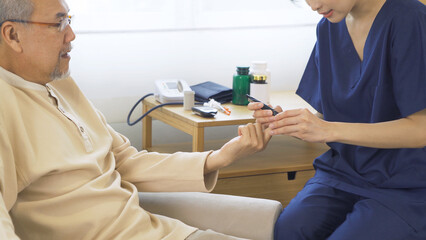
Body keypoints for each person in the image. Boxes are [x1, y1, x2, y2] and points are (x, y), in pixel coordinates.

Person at [0, 0, 272, 239]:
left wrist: (220, 157)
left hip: (153, 228)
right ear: (13, 35)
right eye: (58, 24)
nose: (71, 34)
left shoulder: (58, 82)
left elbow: (124, 160)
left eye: (69, 21)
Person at [248, 0, 426, 239]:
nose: (313, 5)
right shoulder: (329, 27)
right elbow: (329, 115)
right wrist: (291, 122)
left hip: (408, 181)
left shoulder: (410, 18)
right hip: (343, 171)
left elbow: (421, 129)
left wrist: (328, 130)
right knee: (290, 230)